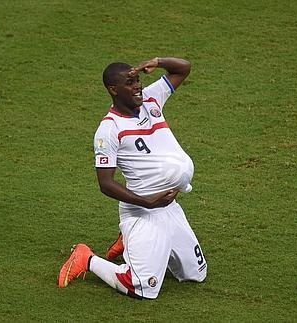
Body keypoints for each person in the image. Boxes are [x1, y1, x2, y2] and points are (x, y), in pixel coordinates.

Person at [58, 57, 207, 299]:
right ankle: (87, 258)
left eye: (137, 79)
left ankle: (134, 244)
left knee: (196, 274)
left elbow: (184, 68)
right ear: (113, 89)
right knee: (142, 289)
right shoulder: (109, 130)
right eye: (130, 82)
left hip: (168, 207)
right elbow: (105, 184)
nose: (137, 85)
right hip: (142, 211)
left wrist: (157, 62)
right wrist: (147, 203)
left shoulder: (150, 99)